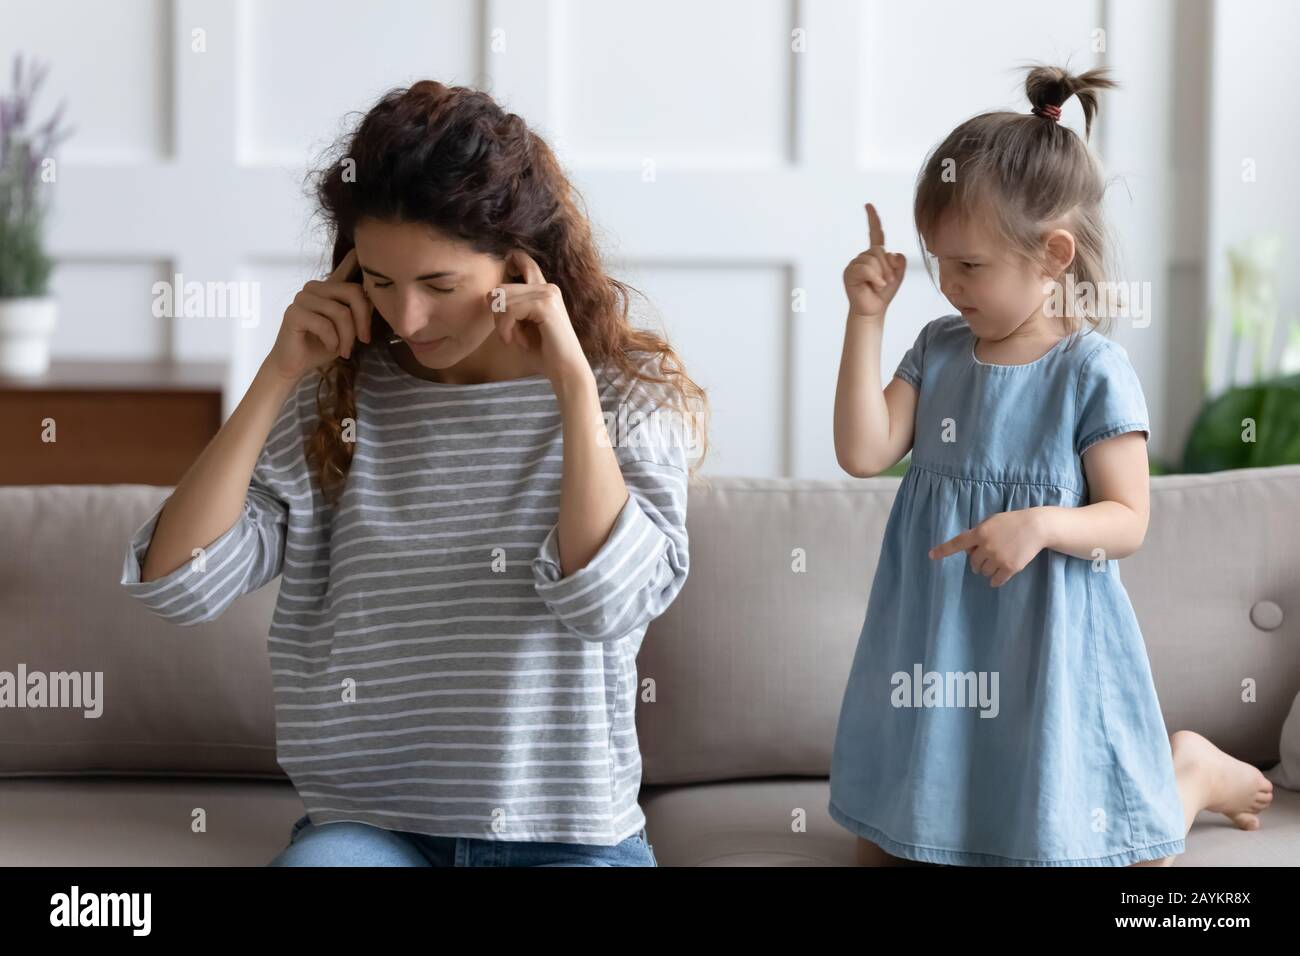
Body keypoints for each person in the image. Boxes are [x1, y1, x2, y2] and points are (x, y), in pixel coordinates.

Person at [119, 80, 708, 867]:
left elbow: (609, 601)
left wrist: (571, 385)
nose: (408, 320)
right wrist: (275, 377)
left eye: (440, 285)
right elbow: (179, 584)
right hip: (371, 830)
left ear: (519, 267)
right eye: (379, 282)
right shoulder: (334, 402)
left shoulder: (625, 398)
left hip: (566, 838)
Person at [828, 64, 1273, 866]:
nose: (947, 284)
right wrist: (866, 318)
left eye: (970, 266)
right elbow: (863, 451)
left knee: (1104, 855)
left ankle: (1192, 772)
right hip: (940, 634)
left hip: (1047, 640)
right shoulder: (937, 349)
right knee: (887, 855)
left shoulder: (1090, 372)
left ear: (1053, 254)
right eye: (937, 262)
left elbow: (1128, 519)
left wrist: (1040, 522)